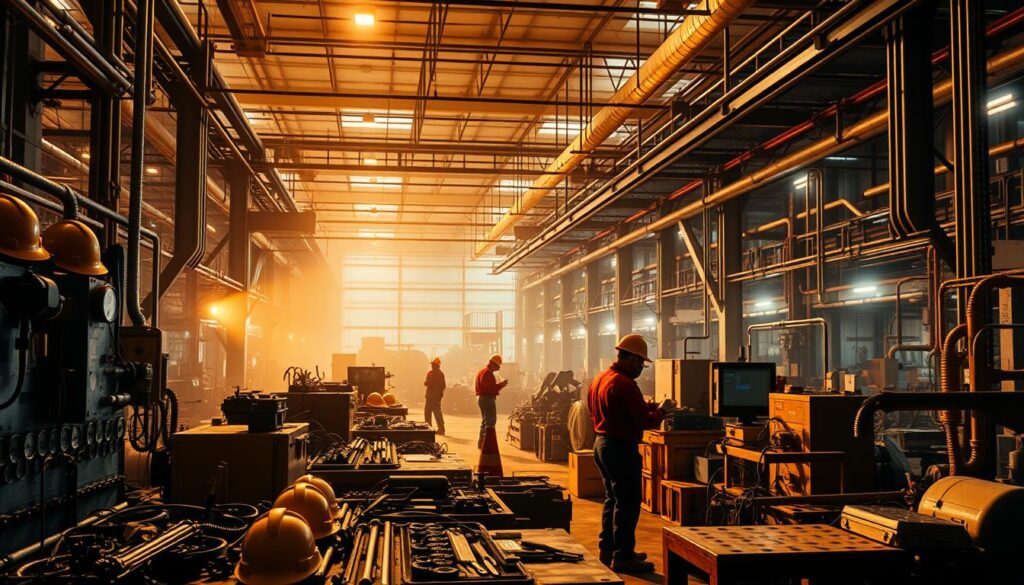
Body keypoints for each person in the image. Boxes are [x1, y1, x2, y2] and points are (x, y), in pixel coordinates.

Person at [588, 334, 675, 573]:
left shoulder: (601, 379)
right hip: (620, 448)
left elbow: (624, 408)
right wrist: (663, 411)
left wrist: (650, 405)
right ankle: (623, 556)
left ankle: (609, 549)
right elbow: (645, 421)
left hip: (602, 444)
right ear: (631, 358)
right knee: (627, 503)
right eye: (640, 363)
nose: (640, 368)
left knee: (612, 499)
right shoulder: (625, 384)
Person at [475, 354, 507, 448]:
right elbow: (489, 388)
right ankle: (486, 443)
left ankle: (481, 442)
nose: (499, 368)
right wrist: (501, 385)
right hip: (487, 398)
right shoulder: (487, 373)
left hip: (482, 398)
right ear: (493, 364)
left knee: (485, 421)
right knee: (490, 421)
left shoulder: (483, 371)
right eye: (498, 366)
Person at [423, 357, 446, 435]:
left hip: (430, 397)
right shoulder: (441, 374)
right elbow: (443, 386)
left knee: (428, 412)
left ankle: (428, 429)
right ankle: (441, 429)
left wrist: (425, 383)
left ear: (435, 365)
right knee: (437, 413)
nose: (432, 366)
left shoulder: (431, 373)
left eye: (433, 365)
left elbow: (428, 383)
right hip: (436, 397)